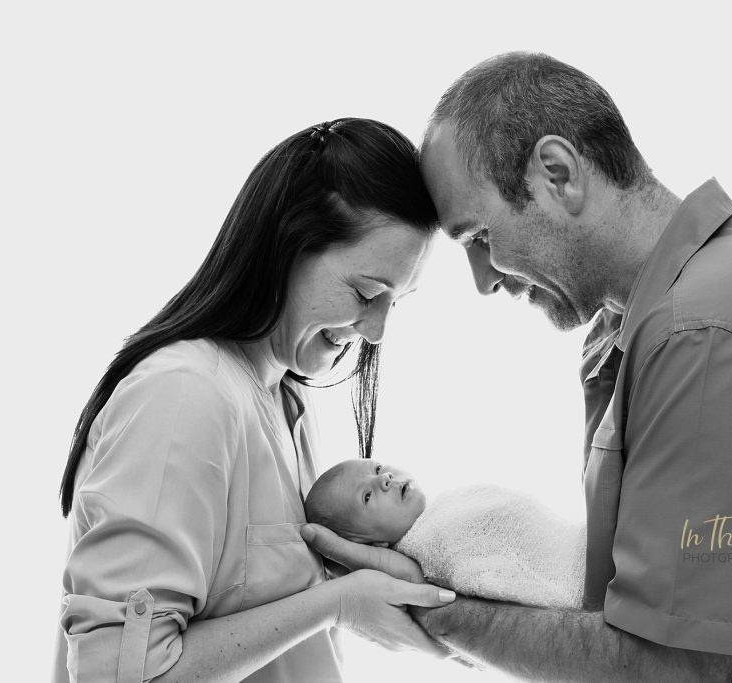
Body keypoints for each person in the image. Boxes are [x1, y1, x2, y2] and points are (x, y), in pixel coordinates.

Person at [301, 54, 732, 681]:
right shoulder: (663, 318)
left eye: (480, 238)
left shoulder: (709, 337)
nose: (484, 281)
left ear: (558, 173)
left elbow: (665, 669)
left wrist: (425, 606)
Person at [52, 118, 457, 683]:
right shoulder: (182, 396)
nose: (377, 332)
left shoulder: (287, 399)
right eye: (366, 293)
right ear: (283, 248)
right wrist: (337, 605)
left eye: (398, 301)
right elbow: (122, 675)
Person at [304, 459, 586, 609]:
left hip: (582, 542)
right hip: (579, 578)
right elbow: (496, 581)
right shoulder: (434, 547)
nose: (383, 478)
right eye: (367, 496)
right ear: (376, 543)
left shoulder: (442, 506)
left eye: (377, 468)